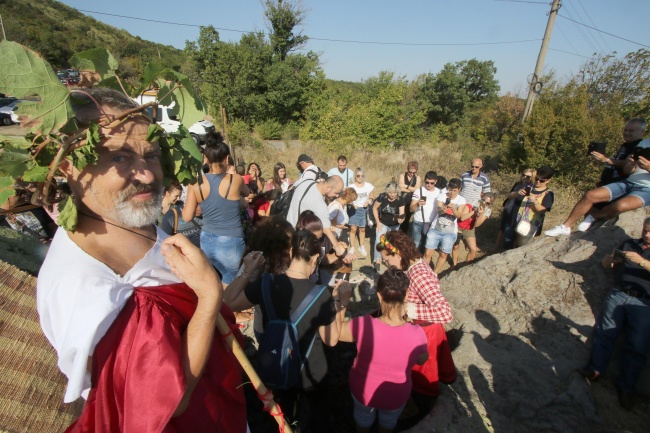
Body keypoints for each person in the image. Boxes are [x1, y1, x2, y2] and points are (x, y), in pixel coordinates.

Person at [36, 88, 246, 431]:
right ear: (70, 167)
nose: (147, 174)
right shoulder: (93, 286)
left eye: (150, 155)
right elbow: (167, 400)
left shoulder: (129, 218)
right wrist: (209, 297)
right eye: (119, 157)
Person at [224, 229, 351, 433]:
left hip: (277, 363)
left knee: (284, 409)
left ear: (290, 252)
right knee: (317, 412)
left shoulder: (266, 283)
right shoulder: (320, 295)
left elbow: (228, 302)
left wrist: (247, 272)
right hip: (311, 370)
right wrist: (340, 303)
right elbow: (332, 340)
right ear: (316, 257)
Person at [338, 268, 428, 433]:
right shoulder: (417, 333)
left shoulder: (363, 324)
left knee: (362, 419)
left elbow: (336, 333)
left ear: (379, 295)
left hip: (363, 389)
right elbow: (422, 359)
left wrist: (342, 303)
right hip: (396, 394)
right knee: (388, 423)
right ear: (406, 295)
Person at [578, 217, 650, 411]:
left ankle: (626, 388)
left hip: (643, 301)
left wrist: (642, 262)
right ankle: (595, 370)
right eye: (645, 230)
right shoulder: (629, 243)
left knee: (636, 345)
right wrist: (610, 260)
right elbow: (606, 264)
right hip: (618, 293)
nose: (647, 234)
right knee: (604, 333)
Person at [375, 231, 456, 399]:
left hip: (425, 334)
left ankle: (422, 401)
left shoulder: (419, 275)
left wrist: (406, 309)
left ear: (398, 253)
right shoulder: (412, 265)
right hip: (421, 330)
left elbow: (445, 312)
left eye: (387, 260)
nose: (387, 264)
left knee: (423, 372)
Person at [183, 132, 250, 286]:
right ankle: (237, 309)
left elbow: (187, 216)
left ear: (205, 158)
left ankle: (224, 308)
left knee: (223, 279)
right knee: (238, 282)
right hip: (230, 240)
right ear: (227, 158)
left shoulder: (195, 183)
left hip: (207, 240)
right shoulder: (235, 179)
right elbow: (246, 194)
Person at [545, 139, 650, 236]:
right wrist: (631, 165)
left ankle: (595, 216)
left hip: (647, 189)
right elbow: (627, 170)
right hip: (629, 182)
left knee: (620, 206)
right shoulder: (645, 143)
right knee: (590, 195)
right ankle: (565, 226)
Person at [424, 178, 469, 274]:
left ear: (459, 190)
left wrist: (453, 209)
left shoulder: (461, 200)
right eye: (450, 190)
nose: (452, 193)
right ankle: (424, 272)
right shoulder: (442, 196)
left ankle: (435, 273)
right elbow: (438, 211)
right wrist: (443, 208)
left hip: (450, 232)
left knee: (443, 254)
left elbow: (459, 216)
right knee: (428, 253)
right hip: (435, 229)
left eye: (454, 191)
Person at [286, 174, 343, 246]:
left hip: (286, 229)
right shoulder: (320, 205)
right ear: (328, 188)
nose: (337, 196)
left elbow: (290, 188)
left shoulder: (306, 180)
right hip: (298, 239)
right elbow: (326, 230)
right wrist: (337, 247)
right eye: (336, 193)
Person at [591, 118, 647, 187]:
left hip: (621, 184)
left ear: (642, 131)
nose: (627, 133)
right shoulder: (627, 144)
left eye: (631, 131)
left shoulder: (639, 147)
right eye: (625, 130)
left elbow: (627, 163)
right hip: (608, 182)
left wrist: (606, 160)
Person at [514, 166, 554, 247]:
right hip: (518, 221)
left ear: (548, 180)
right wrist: (517, 193)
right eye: (536, 178)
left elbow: (542, 210)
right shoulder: (529, 187)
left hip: (530, 225)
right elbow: (510, 196)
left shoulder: (548, 194)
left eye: (542, 180)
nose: (538, 181)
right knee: (515, 244)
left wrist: (535, 202)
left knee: (522, 246)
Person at [452, 192, 495, 266]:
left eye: (487, 203)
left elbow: (477, 225)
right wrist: (474, 211)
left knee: (473, 249)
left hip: (469, 229)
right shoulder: (472, 202)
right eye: (483, 201)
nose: (484, 204)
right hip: (459, 226)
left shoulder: (487, 211)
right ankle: (454, 265)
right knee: (456, 247)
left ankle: (466, 266)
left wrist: (481, 214)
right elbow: (462, 218)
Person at [498, 169, 535, 250]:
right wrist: (517, 193)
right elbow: (509, 195)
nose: (524, 177)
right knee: (508, 235)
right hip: (511, 212)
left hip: (523, 215)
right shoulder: (517, 185)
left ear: (532, 178)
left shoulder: (534, 188)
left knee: (519, 238)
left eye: (528, 176)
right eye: (523, 175)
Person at [372, 181, 406, 271]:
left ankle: (390, 260)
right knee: (379, 240)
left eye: (394, 193)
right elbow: (374, 208)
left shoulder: (400, 200)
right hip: (383, 223)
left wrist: (401, 219)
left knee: (391, 243)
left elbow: (402, 214)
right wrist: (378, 222)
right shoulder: (382, 197)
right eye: (390, 193)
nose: (392, 195)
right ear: (387, 192)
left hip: (394, 225)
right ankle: (377, 260)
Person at [410, 171, 441, 251]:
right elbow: (411, 208)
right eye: (427, 182)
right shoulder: (419, 191)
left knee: (427, 245)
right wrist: (417, 204)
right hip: (419, 222)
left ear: (436, 182)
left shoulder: (439, 192)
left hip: (432, 223)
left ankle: (423, 261)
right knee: (416, 243)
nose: (429, 185)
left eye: (432, 183)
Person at [349, 168, 374, 257]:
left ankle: (361, 245)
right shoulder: (352, 187)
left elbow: (371, 197)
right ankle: (352, 247)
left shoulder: (368, 186)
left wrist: (368, 201)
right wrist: (352, 204)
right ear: (355, 176)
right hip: (354, 209)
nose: (360, 177)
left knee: (362, 229)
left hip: (364, 209)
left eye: (362, 176)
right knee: (353, 229)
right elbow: (348, 198)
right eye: (358, 176)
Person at [398, 161, 421, 234]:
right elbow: (400, 188)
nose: (411, 174)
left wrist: (406, 186)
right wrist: (411, 189)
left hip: (411, 202)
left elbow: (417, 190)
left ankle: (403, 234)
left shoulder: (418, 178)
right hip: (401, 200)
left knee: (407, 219)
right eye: (410, 172)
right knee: (400, 217)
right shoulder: (402, 175)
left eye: (414, 173)